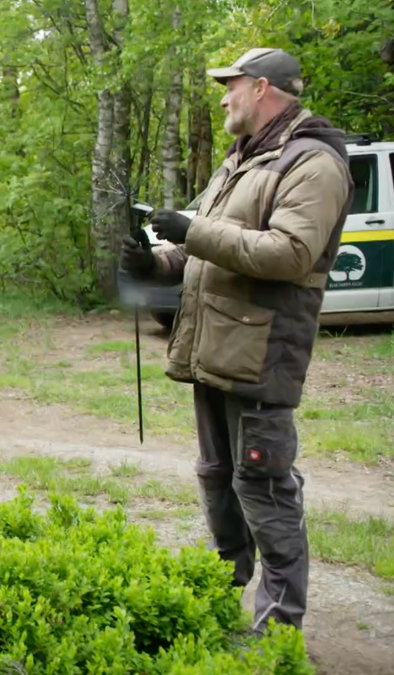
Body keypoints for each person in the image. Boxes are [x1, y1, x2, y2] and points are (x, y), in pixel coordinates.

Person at [120, 48, 353, 632]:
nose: (224, 97)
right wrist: (157, 262)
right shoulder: (241, 160)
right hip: (214, 352)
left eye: (232, 86)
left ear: (264, 89)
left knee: (264, 490)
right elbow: (202, 248)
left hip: (260, 357)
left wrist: (192, 231)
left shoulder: (313, 163)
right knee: (218, 480)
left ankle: (277, 635)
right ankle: (220, 604)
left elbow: (290, 253)